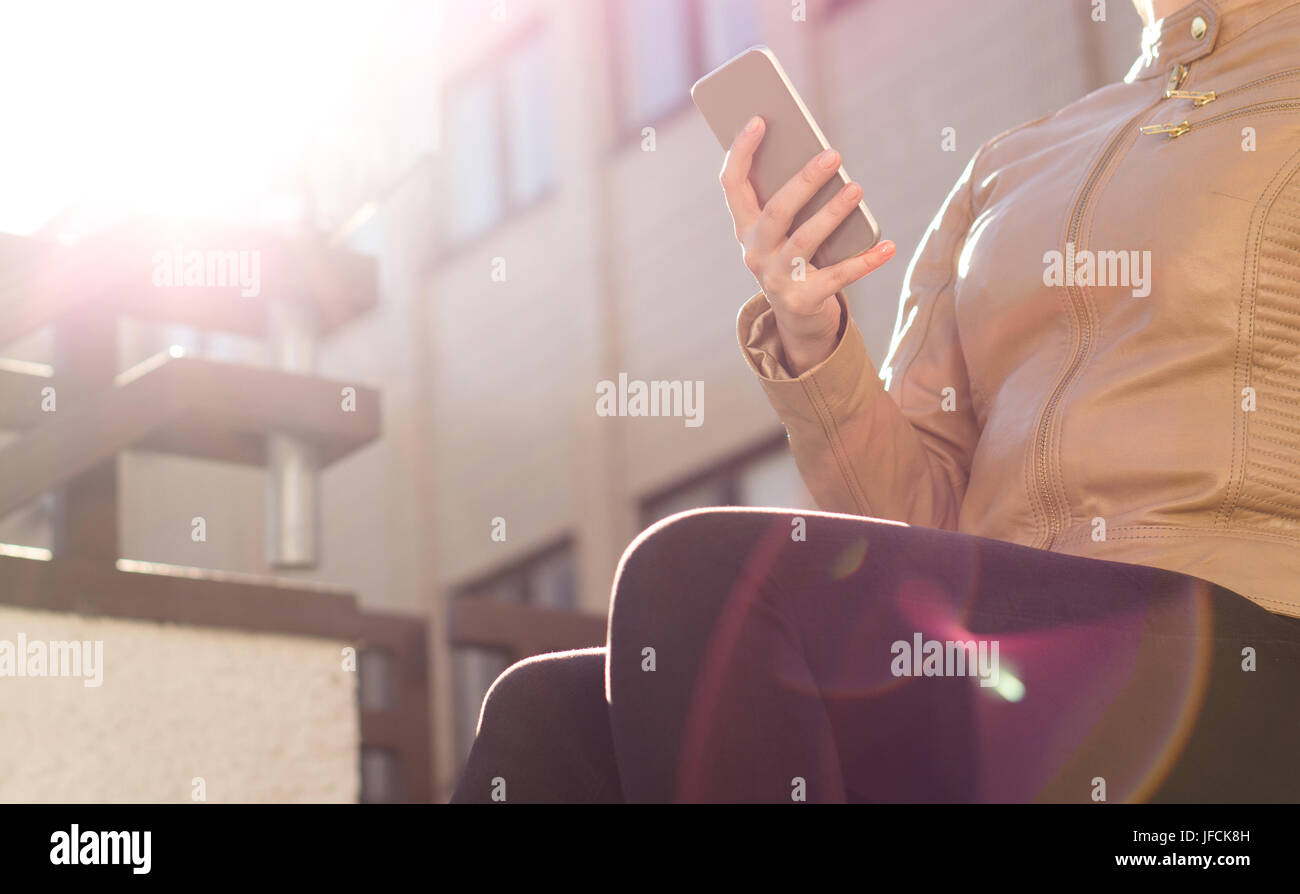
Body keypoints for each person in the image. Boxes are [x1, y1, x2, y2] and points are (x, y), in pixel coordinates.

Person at [452, 0, 1300, 803]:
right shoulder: (1014, 163)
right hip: (1010, 654)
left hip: (1244, 647)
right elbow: (915, 507)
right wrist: (812, 332)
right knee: (546, 709)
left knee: (697, 576)